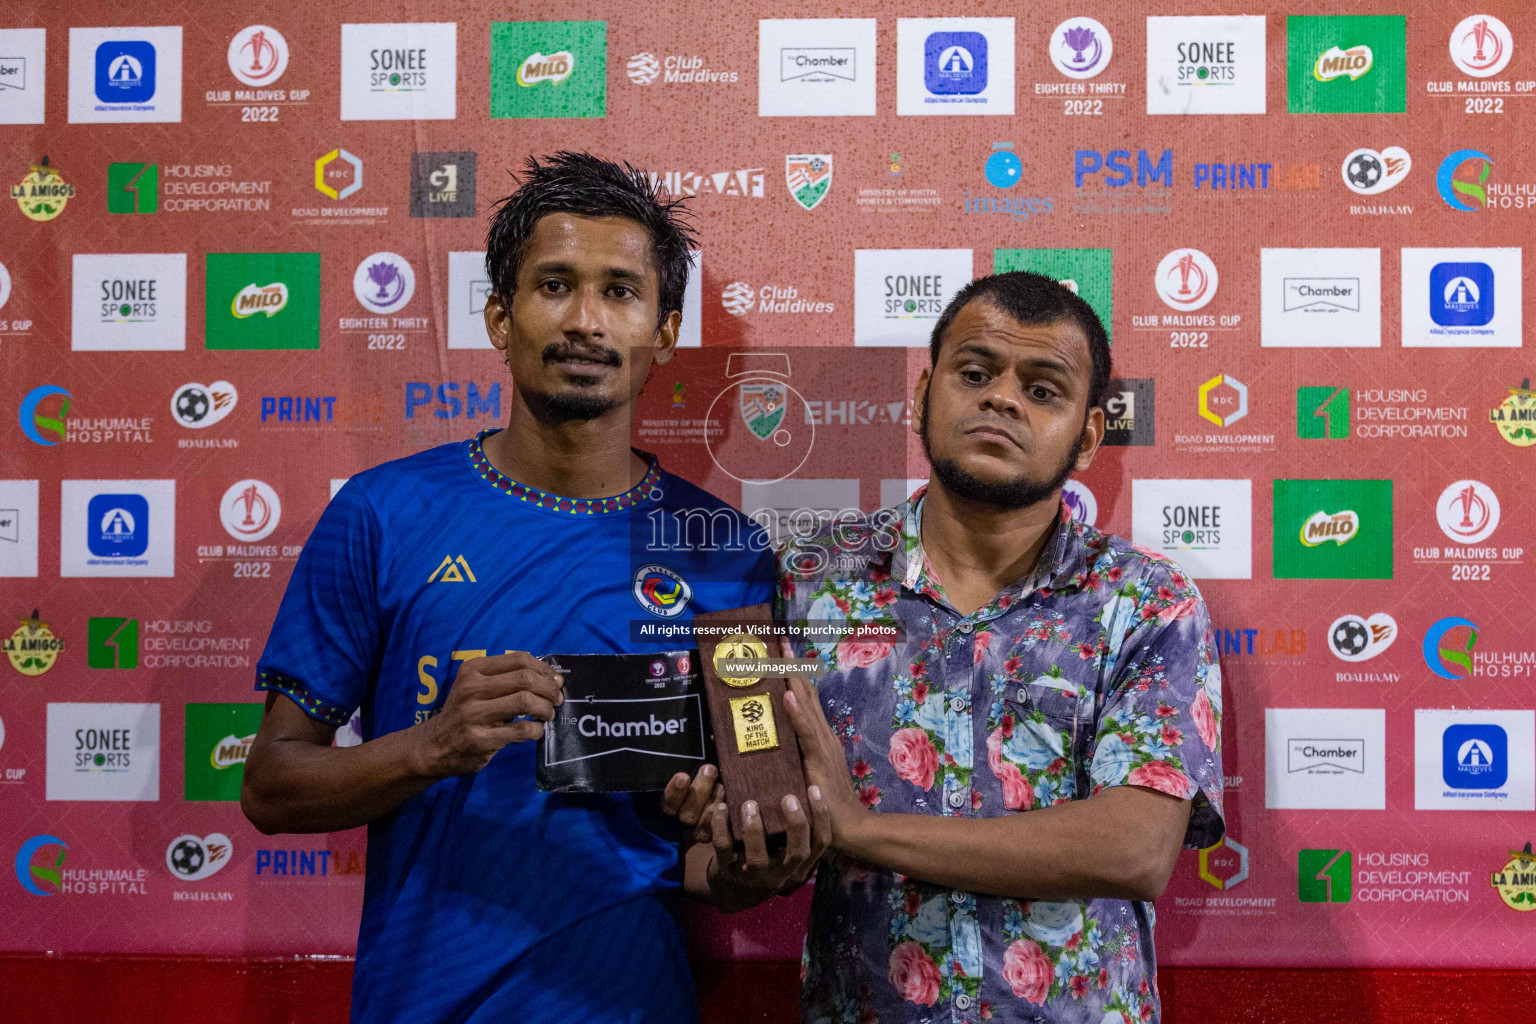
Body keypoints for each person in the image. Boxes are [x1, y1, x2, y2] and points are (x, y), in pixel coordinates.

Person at [240, 152, 811, 1024]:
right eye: (555, 285)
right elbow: (270, 788)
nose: (587, 321)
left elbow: (723, 845)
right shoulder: (383, 514)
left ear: (662, 331)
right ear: (500, 317)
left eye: (620, 291)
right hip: (420, 1001)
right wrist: (430, 746)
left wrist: (746, 864)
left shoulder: (725, 552)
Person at [761, 272, 1224, 1023]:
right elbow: (760, 792)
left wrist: (861, 829)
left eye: (1043, 390)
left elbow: (1134, 850)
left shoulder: (1145, 602)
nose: (1002, 398)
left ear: (1088, 435)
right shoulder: (812, 586)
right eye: (974, 374)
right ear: (921, 396)